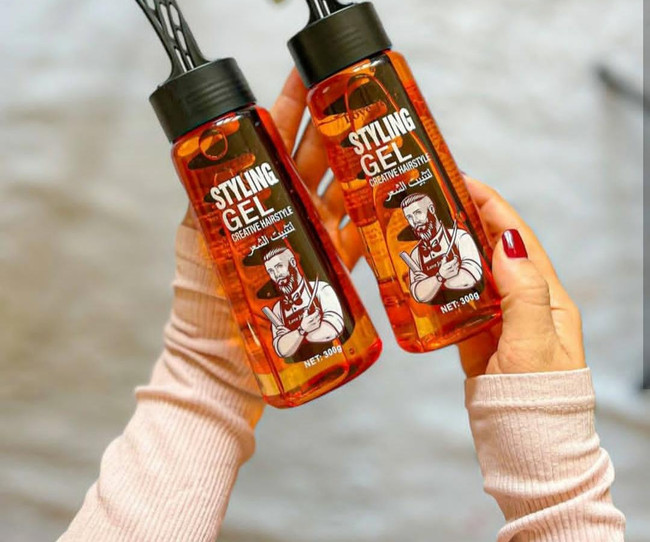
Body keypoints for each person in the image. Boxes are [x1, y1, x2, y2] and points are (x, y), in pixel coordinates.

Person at [59, 70, 626, 541]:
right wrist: (560, 497)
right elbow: (391, 299)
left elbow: (365, 301)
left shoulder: (438, 239)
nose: (286, 273)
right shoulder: (303, 295)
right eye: (278, 270)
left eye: (423, 213)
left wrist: (205, 376)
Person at [261, 245, 344, 359]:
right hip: (300, 368)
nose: (276, 274)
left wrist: (292, 337)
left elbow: (333, 328)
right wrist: (301, 329)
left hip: (339, 356)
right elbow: (281, 350)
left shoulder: (320, 289)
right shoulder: (277, 308)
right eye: (270, 271)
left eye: (279, 266)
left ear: (293, 262)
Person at [400, 191, 483, 302]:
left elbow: (471, 276)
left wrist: (430, 284)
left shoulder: (459, 237)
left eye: (418, 213)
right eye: (409, 217)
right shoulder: (415, 254)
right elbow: (418, 295)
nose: (415, 221)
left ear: (431, 209)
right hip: (440, 312)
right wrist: (440, 276)